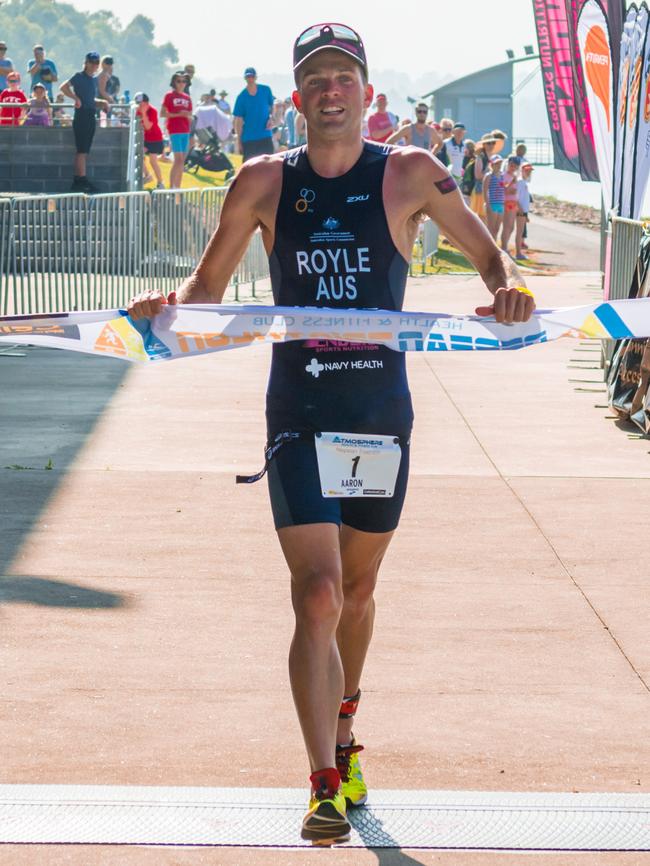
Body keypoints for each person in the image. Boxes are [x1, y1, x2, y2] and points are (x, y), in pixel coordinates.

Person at [126, 20, 534, 845]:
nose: (331, 91)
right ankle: (321, 782)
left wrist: (511, 287)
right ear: (297, 97)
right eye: (315, 78)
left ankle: (346, 732)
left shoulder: (411, 172)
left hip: (380, 415)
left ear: (366, 89)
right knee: (313, 594)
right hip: (300, 412)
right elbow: (206, 288)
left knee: (354, 593)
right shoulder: (263, 183)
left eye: (343, 76)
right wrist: (165, 307)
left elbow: (491, 260)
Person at [60, 52, 108, 192]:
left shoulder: (94, 80)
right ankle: (80, 180)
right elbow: (63, 87)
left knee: (85, 151)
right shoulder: (78, 76)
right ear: (86, 62)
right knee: (81, 150)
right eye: (92, 62)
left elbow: (90, 100)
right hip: (81, 116)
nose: (94, 65)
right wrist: (75, 98)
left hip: (90, 115)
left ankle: (80, 179)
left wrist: (103, 102)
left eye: (97, 63)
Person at [233, 67, 274, 161]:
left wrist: (271, 118)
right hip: (249, 138)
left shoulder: (266, 90)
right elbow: (238, 120)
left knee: (268, 165)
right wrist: (238, 140)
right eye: (248, 76)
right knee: (249, 168)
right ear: (245, 78)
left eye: (252, 76)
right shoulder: (241, 97)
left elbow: (272, 106)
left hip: (265, 135)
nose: (250, 78)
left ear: (256, 77)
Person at [161, 71, 193, 189]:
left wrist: (187, 115)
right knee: (178, 160)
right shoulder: (169, 96)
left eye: (184, 81)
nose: (181, 84)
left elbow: (190, 115)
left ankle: (177, 188)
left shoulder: (187, 98)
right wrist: (178, 114)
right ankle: (171, 188)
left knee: (182, 162)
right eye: (178, 81)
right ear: (174, 82)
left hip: (185, 130)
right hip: (174, 130)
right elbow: (163, 113)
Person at [134, 92, 165, 189]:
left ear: (146, 103)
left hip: (155, 139)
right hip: (146, 139)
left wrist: (143, 113)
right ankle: (147, 175)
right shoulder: (137, 110)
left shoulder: (153, 111)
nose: (139, 106)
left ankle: (160, 183)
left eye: (141, 103)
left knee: (153, 161)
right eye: (138, 103)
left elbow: (148, 126)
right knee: (138, 155)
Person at [500, 156, 521, 254]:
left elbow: (515, 191)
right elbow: (503, 190)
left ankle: (505, 245)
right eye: (511, 165)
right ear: (507, 164)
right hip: (506, 202)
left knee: (511, 227)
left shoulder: (515, 176)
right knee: (506, 226)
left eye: (515, 166)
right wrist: (511, 185)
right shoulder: (504, 175)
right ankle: (504, 247)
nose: (513, 168)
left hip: (513, 202)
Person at [484, 154, 506, 240]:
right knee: (491, 228)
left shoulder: (502, 175)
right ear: (492, 165)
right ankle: (488, 246)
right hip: (492, 204)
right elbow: (485, 191)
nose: (499, 165)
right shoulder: (489, 176)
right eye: (496, 163)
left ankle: (494, 246)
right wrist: (487, 204)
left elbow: (505, 189)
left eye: (500, 163)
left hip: (501, 204)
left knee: (497, 229)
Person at [516, 162, 534, 260]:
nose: (528, 173)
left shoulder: (524, 182)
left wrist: (526, 215)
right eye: (527, 171)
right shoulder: (520, 182)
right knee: (519, 232)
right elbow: (516, 197)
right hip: (520, 210)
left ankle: (519, 252)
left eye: (530, 171)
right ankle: (518, 253)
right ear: (522, 170)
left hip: (523, 211)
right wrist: (521, 210)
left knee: (521, 231)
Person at [97, 56, 120, 124]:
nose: (110, 65)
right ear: (103, 64)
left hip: (105, 101)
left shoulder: (106, 74)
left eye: (111, 64)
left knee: (108, 120)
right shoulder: (103, 75)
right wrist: (111, 99)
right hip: (102, 101)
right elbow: (102, 91)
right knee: (101, 121)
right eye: (108, 63)